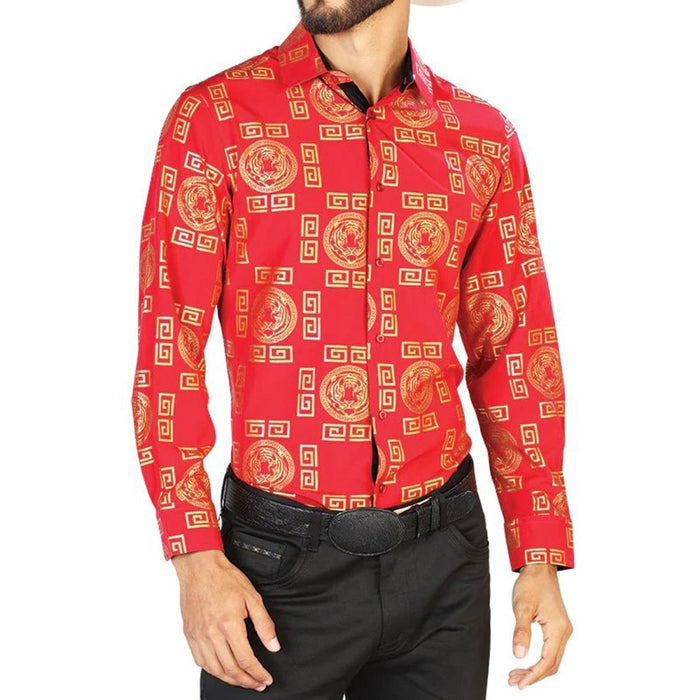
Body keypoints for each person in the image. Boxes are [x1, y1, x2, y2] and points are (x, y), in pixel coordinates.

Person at [130, 1, 575, 697]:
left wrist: (538, 553)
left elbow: (514, 350)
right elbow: (169, 349)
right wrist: (194, 557)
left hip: (445, 563)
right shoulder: (216, 118)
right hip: (274, 571)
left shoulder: (482, 138)